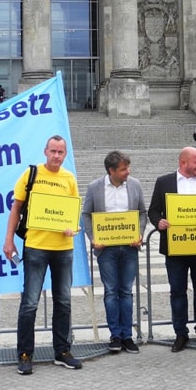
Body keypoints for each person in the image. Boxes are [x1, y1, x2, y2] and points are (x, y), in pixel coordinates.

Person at [2, 135, 82, 375]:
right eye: (53, 151)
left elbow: (74, 212)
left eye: (60, 152)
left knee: (64, 301)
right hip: (36, 246)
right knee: (30, 303)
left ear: (65, 155)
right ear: (45, 151)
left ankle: (62, 351)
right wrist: (8, 241)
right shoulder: (31, 174)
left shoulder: (69, 178)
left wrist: (73, 227)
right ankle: (25, 354)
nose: (56, 156)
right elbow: (16, 207)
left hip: (63, 248)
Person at [147, 146, 196, 352]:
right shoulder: (164, 182)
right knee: (177, 292)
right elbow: (153, 210)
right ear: (183, 163)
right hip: (176, 248)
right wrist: (159, 222)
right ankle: (180, 333)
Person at [80, 151, 147, 354]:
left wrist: (140, 233)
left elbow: (142, 212)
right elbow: (86, 214)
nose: (128, 171)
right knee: (110, 291)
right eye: (124, 169)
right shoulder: (95, 187)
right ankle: (115, 335)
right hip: (106, 249)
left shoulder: (135, 185)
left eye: (127, 168)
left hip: (129, 247)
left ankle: (127, 335)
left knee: (126, 291)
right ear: (112, 170)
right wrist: (93, 238)